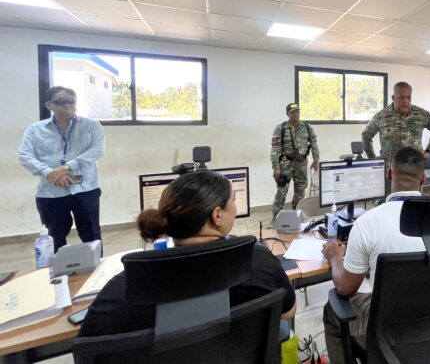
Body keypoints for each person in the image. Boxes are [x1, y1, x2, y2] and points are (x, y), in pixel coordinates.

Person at [78, 170, 296, 337]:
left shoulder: (127, 286)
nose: (236, 207)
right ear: (217, 215)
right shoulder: (255, 259)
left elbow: (90, 345)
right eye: (233, 201)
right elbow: (287, 311)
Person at [322, 147, 427, 363]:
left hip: (386, 328)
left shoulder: (368, 223)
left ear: (389, 174)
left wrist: (334, 257)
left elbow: (345, 287)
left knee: (331, 310)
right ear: (423, 179)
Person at [18, 87, 105, 253]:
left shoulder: (91, 126)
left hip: (86, 188)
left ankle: (97, 272)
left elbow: (97, 151)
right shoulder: (35, 130)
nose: (67, 105)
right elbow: (24, 155)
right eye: (61, 101)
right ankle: (59, 275)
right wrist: (50, 172)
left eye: (71, 101)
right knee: (55, 237)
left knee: (92, 234)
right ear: (49, 105)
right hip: (51, 192)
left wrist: (67, 167)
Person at [361, 81, 430, 165]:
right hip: (390, 169)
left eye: (409, 97)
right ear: (393, 98)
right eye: (401, 97)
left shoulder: (421, 114)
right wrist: (372, 159)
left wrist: (429, 150)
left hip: (415, 168)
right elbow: (366, 136)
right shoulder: (381, 116)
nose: (405, 101)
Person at [270, 103, 319, 221]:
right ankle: (275, 219)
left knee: (300, 191)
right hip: (285, 165)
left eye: (297, 111)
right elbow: (275, 149)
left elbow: (314, 144)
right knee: (282, 191)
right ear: (287, 114)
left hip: (301, 164)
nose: (296, 114)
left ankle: (296, 217)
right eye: (292, 112)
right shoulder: (280, 128)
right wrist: (276, 167)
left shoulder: (307, 127)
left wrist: (316, 160)